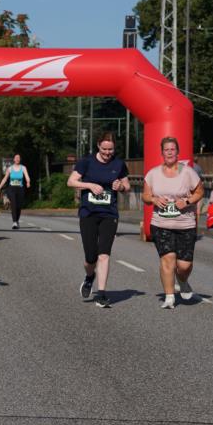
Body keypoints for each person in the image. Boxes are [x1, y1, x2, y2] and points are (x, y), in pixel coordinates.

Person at [67, 132, 130, 308]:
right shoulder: (86, 162)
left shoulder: (118, 164)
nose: (107, 153)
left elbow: (127, 186)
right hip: (88, 213)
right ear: (98, 146)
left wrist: (121, 187)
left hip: (109, 214)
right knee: (90, 257)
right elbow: (71, 182)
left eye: (110, 149)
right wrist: (89, 185)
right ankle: (89, 277)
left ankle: (101, 294)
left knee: (104, 254)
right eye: (104, 149)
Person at [142, 136, 204, 309]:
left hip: (185, 224)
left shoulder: (188, 172)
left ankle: (182, 280)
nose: (169, 152)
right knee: (167, 259)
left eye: (172, 149)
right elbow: (145, 196)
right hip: (161, 223)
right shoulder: (153, 174)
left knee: (184, 265)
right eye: (166, 149)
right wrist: (153, 199)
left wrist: (188, 201)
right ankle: (169, 297)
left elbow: (200, 192)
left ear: (177, 152)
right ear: (162, 153)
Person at [0, 154, 30, 229]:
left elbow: (27, 176)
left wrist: (28, 182)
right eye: (16, 158)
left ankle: (17, 220)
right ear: (14, 160)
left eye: (19, 158)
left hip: (20, 189)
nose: (17, 159)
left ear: (20, 159)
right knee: (13, 204)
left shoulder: (23, 168)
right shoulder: (10, 168)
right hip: (11, 189)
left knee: (19, 206)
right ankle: (14, 222)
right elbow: (5, 179)